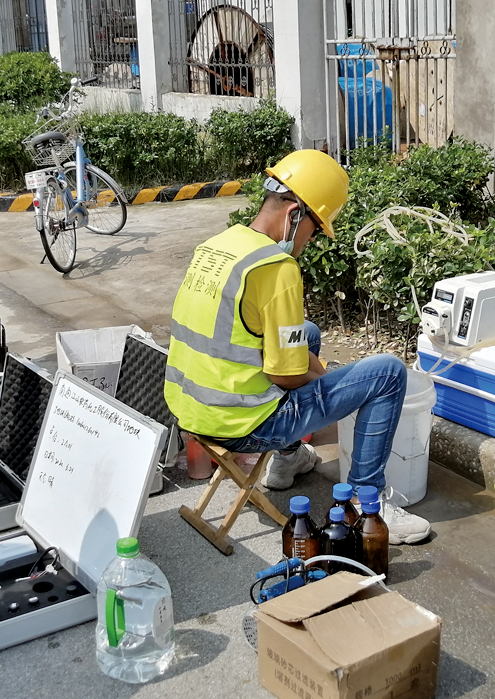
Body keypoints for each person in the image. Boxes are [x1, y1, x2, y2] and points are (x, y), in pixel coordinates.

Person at [164, 149, 431, 545]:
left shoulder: (219, 245)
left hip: (191, 408)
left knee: (307, 332)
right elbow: (285, 377)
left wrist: (319, 373)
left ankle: (285, 463)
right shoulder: (276, 268)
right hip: (243, 425)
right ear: (294, 215)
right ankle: (366, 503)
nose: (312, 240)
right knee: (388, 373)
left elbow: (253, 338)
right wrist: (331, 382)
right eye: (315, 229)